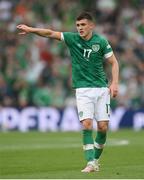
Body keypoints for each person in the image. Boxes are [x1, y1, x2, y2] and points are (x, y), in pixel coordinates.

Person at [17, 12, 119, 173]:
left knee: (103, 127)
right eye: (78, 25)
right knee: (86, 124)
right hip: (83, 90)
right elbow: (50, 33)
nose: (80, 28)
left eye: (83, 25)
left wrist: (114, 83)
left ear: (91, 26)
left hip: (101, 89)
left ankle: (96, 160)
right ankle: (90, 162)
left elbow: (114, 63)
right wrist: (30, 29)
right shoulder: (72, 39)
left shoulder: (101, 42)